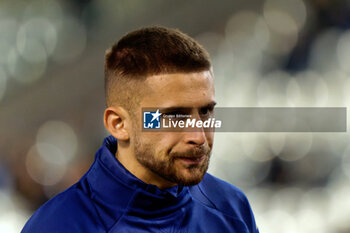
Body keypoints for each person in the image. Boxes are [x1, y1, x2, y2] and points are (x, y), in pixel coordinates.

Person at [21, 26, 259, 233]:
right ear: (119, 124)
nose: (199, 137)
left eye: (206, 112)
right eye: (175, 116)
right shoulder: (58, 227)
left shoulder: (232, 209)